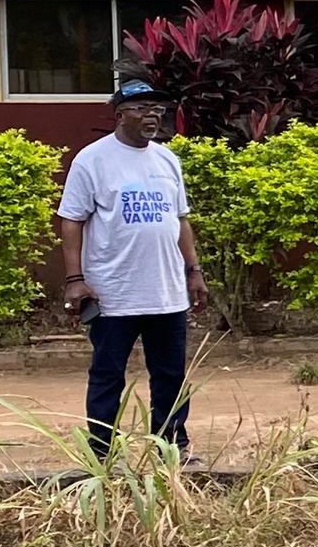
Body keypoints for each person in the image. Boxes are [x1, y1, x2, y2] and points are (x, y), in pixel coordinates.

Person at [57, 78, 210, 459]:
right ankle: (102, 451)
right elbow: (71, 220)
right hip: (113, 294)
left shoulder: (166, 159)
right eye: (142, 109)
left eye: (157, 109)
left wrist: (194, 271)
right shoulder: (91, 160)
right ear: (120, 114)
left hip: (166, 292)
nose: (152, 116)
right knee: (108, 376)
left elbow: (181, 220)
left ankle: (173, 446)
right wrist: (75, 280)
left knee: (171, 376)